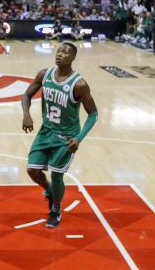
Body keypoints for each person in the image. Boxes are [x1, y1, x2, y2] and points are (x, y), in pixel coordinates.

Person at [21, 42, 98, 228]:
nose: (60, 54)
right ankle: (49, 191)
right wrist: (26, 114)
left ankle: (55, 210)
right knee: (32, 170)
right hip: (46, 131)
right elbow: (26, 95)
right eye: (59, 51)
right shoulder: (44, 74)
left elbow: (93, 113)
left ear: (73, 58)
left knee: (57, 175)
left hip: (66, 138)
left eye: (66, 52)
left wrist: (78, 138)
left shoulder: (79, 84)